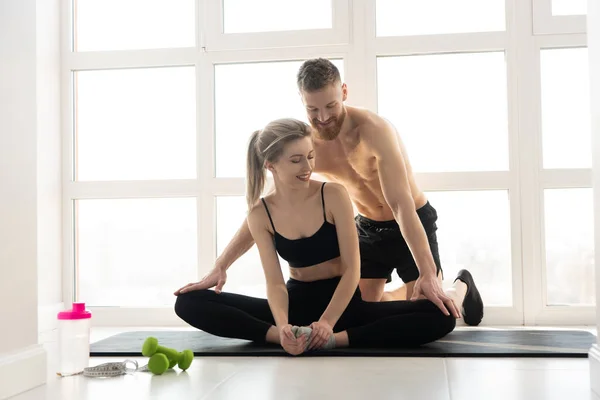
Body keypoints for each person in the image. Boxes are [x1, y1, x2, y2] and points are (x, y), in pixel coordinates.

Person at [176, 58, 484, 326]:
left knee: (437, 306)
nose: (322, 118)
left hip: (410, 219)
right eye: (313, 109)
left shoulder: (374, 131)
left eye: (330, 106)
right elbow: (268, 210)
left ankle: (459, 286)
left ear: (344, 93)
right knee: (362, 310)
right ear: (302, 102)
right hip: (365, 227)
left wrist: (428, 274)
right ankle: (419, 295)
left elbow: (401, 204)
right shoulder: (307, 147)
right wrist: (220, 266)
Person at [174, 119, 482, 354]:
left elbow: (352, 270)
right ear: (270, 165)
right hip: (295, 305)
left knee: (440, 317)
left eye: (309, 156)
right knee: (189, 303)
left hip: (344, 305)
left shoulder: (333, 195)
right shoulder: (260, 213)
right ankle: (283, 338)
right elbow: (275, 284)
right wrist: (282, 329)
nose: (307, 167)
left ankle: (459, 286)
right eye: (296, 160)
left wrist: (327, 328)